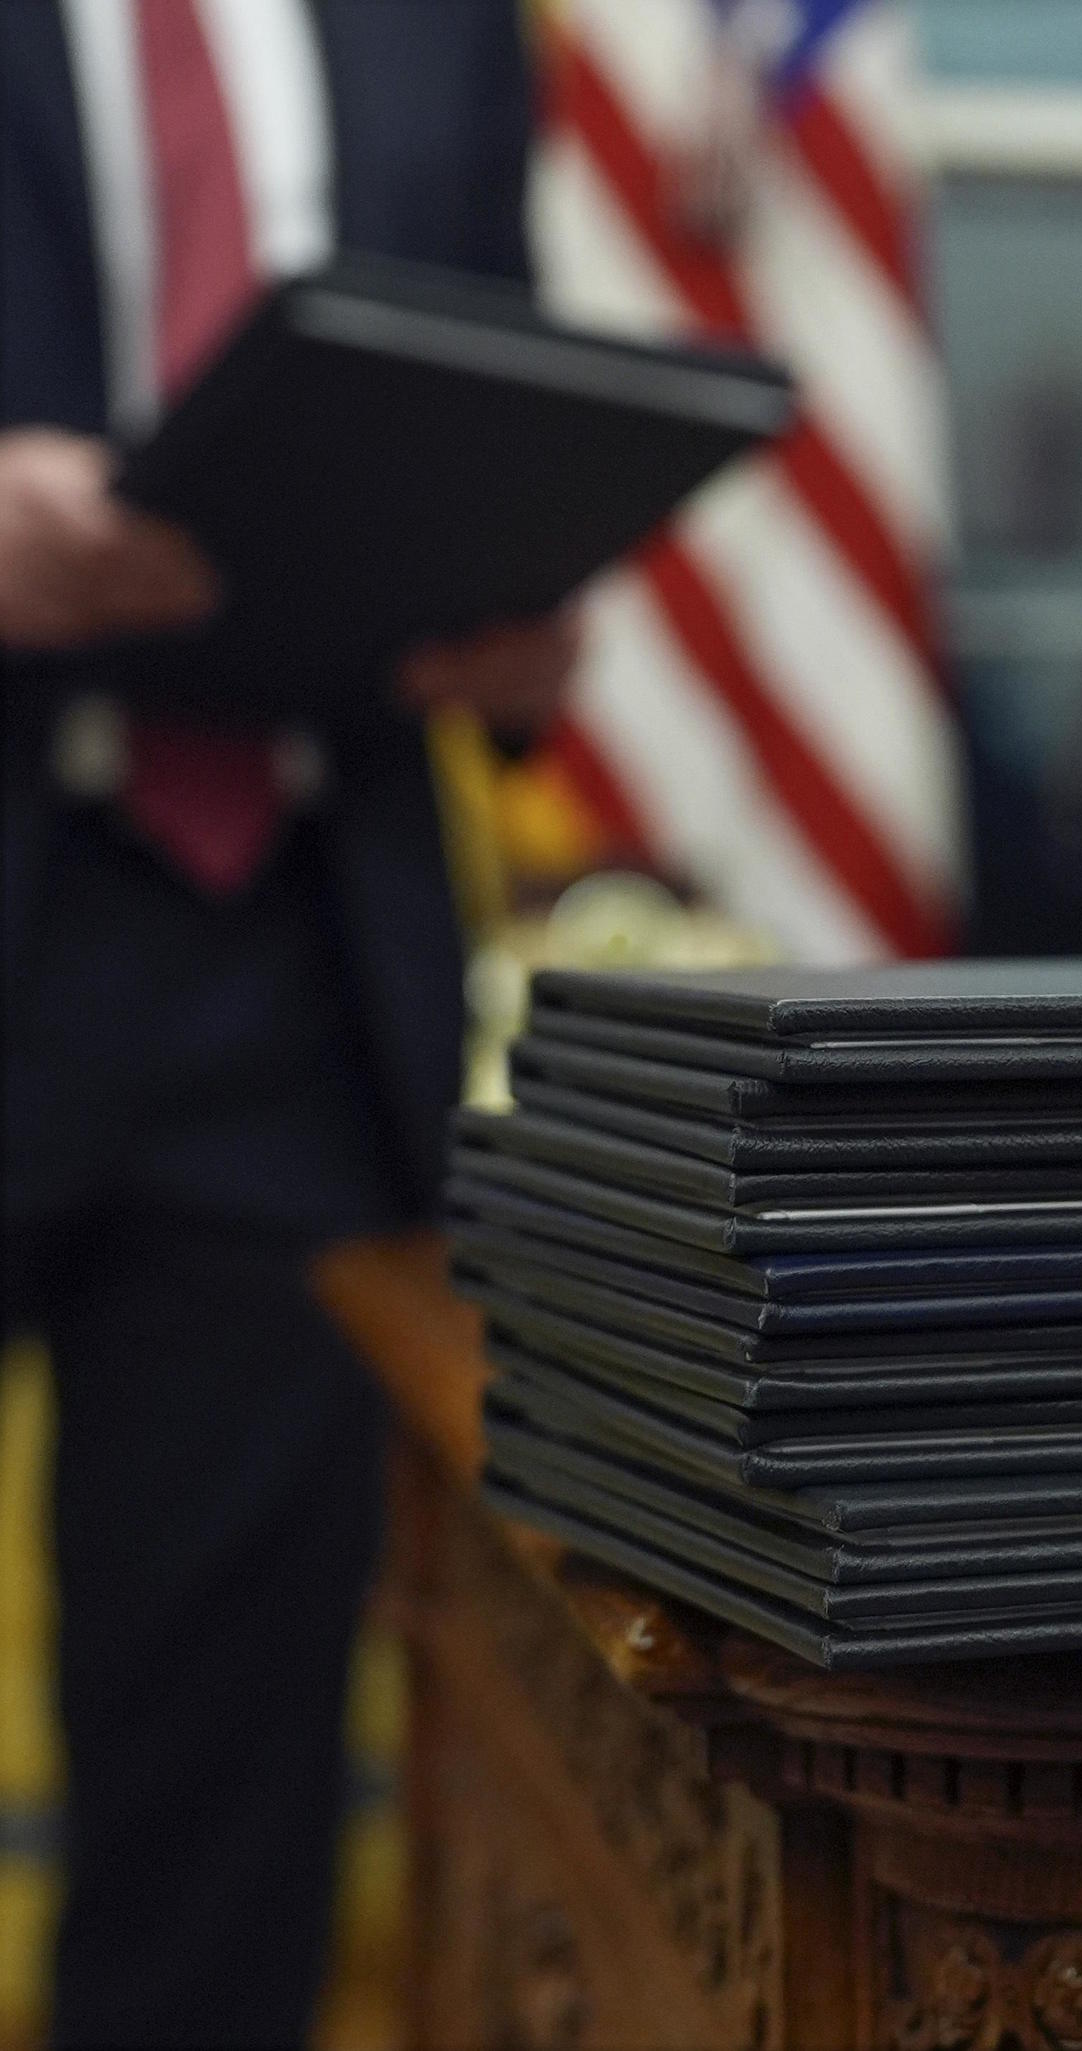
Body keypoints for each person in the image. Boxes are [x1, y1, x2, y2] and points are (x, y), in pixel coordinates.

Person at [1, 3, 569, 2041]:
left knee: (221, 1829)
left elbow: (501, 384)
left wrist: (528, 599)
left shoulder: (448, 27)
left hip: (295, 977)